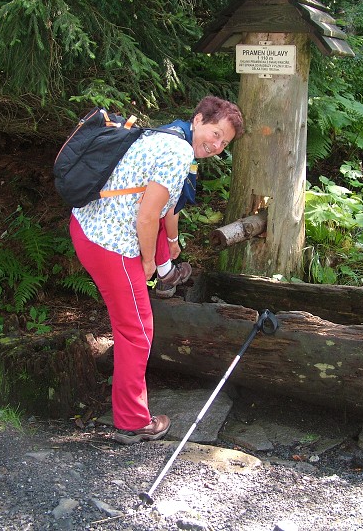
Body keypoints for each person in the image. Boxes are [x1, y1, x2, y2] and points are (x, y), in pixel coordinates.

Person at [69, 95, 244, 444]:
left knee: (133, 326)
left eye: (224, 143)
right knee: (137, 330)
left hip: (89, 227)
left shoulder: (170, 134)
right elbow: (147, 217)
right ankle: (133, 421)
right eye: (215, 134)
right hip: (110, 243)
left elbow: (167, 207)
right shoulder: (178, 152)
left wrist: (172, 242)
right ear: (199, 120)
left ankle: (129, 413)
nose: (216, 146)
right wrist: (148, 261)